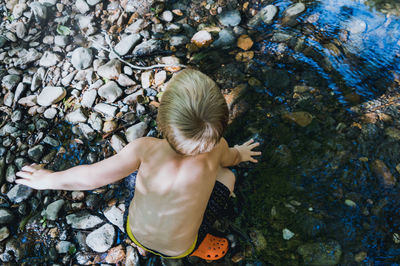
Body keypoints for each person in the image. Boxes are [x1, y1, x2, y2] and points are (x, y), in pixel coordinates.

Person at [16, 69, 261, 260]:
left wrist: (47, 179)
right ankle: (197, 246)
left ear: (162, 121)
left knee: (132, 172)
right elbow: (232, 159)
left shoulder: (145, 148)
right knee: (227, 175)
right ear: (220, 129)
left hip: (134, 232)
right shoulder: (218, 148)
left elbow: (89, 178)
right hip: (181, 247)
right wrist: (239, 152)